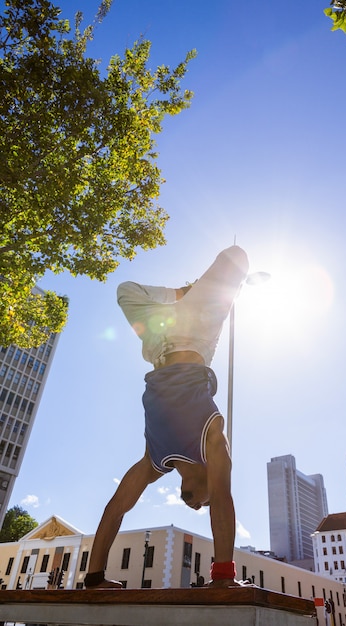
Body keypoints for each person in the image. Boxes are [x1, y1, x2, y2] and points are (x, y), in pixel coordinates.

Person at [84, 245, 249, 589]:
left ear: (188, 489)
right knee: (236, 257)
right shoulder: (196, 444)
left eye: (198, 505)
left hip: (164, 341)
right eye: (203, 505)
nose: (201, 505)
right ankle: (187, 294)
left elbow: (117, 508)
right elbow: (221, 496)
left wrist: (95, 577)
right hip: (195, 335)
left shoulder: (160, 458)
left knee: (125, 291)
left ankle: (185, 296)